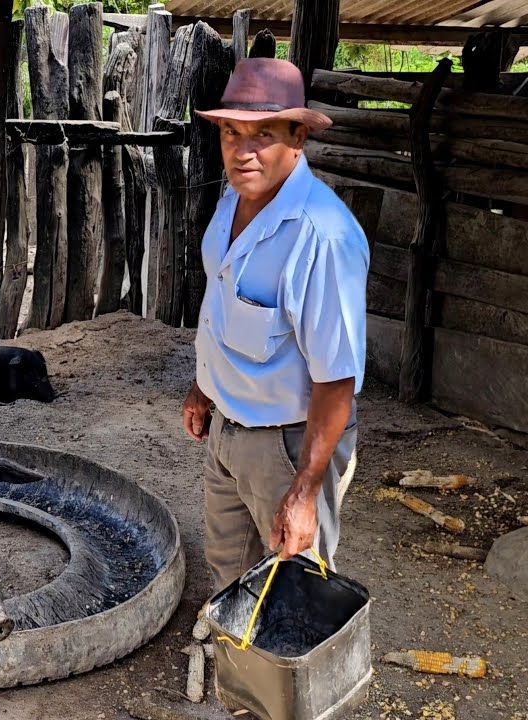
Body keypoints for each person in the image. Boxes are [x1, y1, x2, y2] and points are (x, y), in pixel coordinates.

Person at [181, 58, 370, 592]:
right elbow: (223, 306)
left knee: (292, 593)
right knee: (230, 578)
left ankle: (287, 676)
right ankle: (239, 676)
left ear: (298, 138)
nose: (243, 151)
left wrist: (306, 489)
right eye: (230, 132)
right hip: (228, 429)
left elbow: (337, 379)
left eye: (263, 133)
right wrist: (203, 386)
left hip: (287, 447)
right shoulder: (233, 203)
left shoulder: (322, 236)